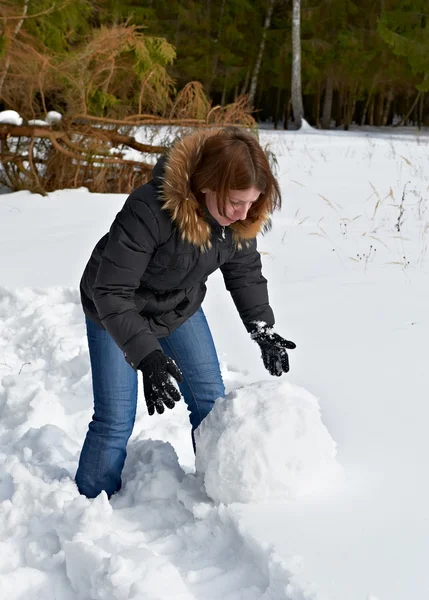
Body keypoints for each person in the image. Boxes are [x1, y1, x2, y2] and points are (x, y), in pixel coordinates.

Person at [76, 126, 296, 499]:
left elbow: (243, 270)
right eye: (235, 202)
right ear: (208, 184)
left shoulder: (238, 218)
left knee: (210, 401)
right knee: (115, 419)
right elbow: (111, 291)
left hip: (178, 305)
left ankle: (220, 489)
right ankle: (89, 505)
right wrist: (147, 356)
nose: (244, 213)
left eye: (252, 203)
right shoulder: (150, 209)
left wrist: (262, 328)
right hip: (113, 306)